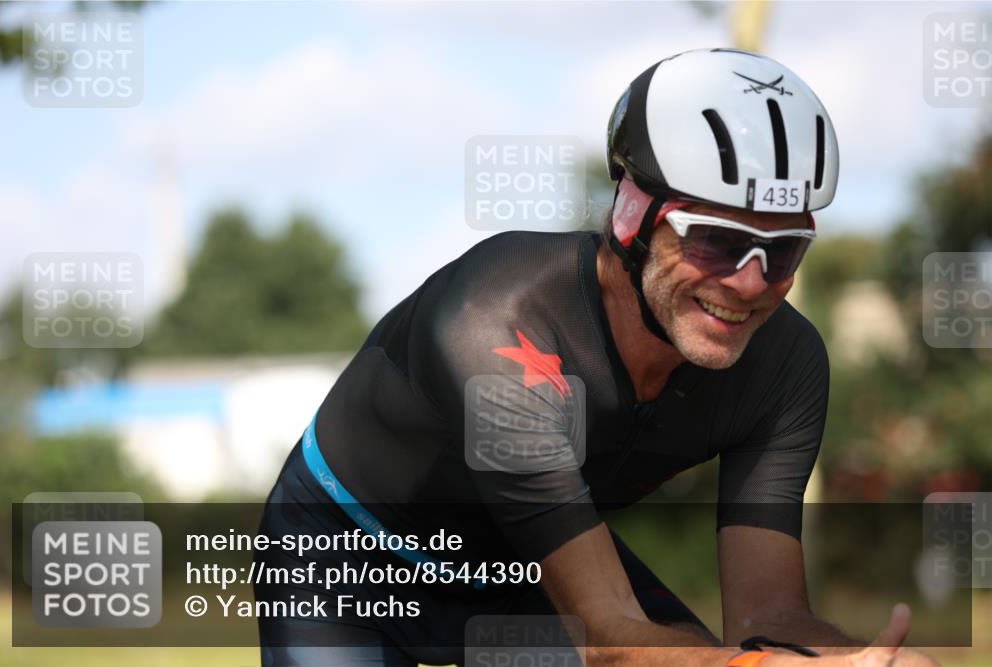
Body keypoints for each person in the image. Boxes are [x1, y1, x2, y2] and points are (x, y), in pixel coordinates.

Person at [255, 48, 938, 666]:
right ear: (631, 214)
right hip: (346, 562)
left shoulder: (786, 364)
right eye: (716, 242)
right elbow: (610, 639)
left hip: (522, 568)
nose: (750, 283)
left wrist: (856, 661)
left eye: (783, 250)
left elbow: (770, 622)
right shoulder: (496, 323)